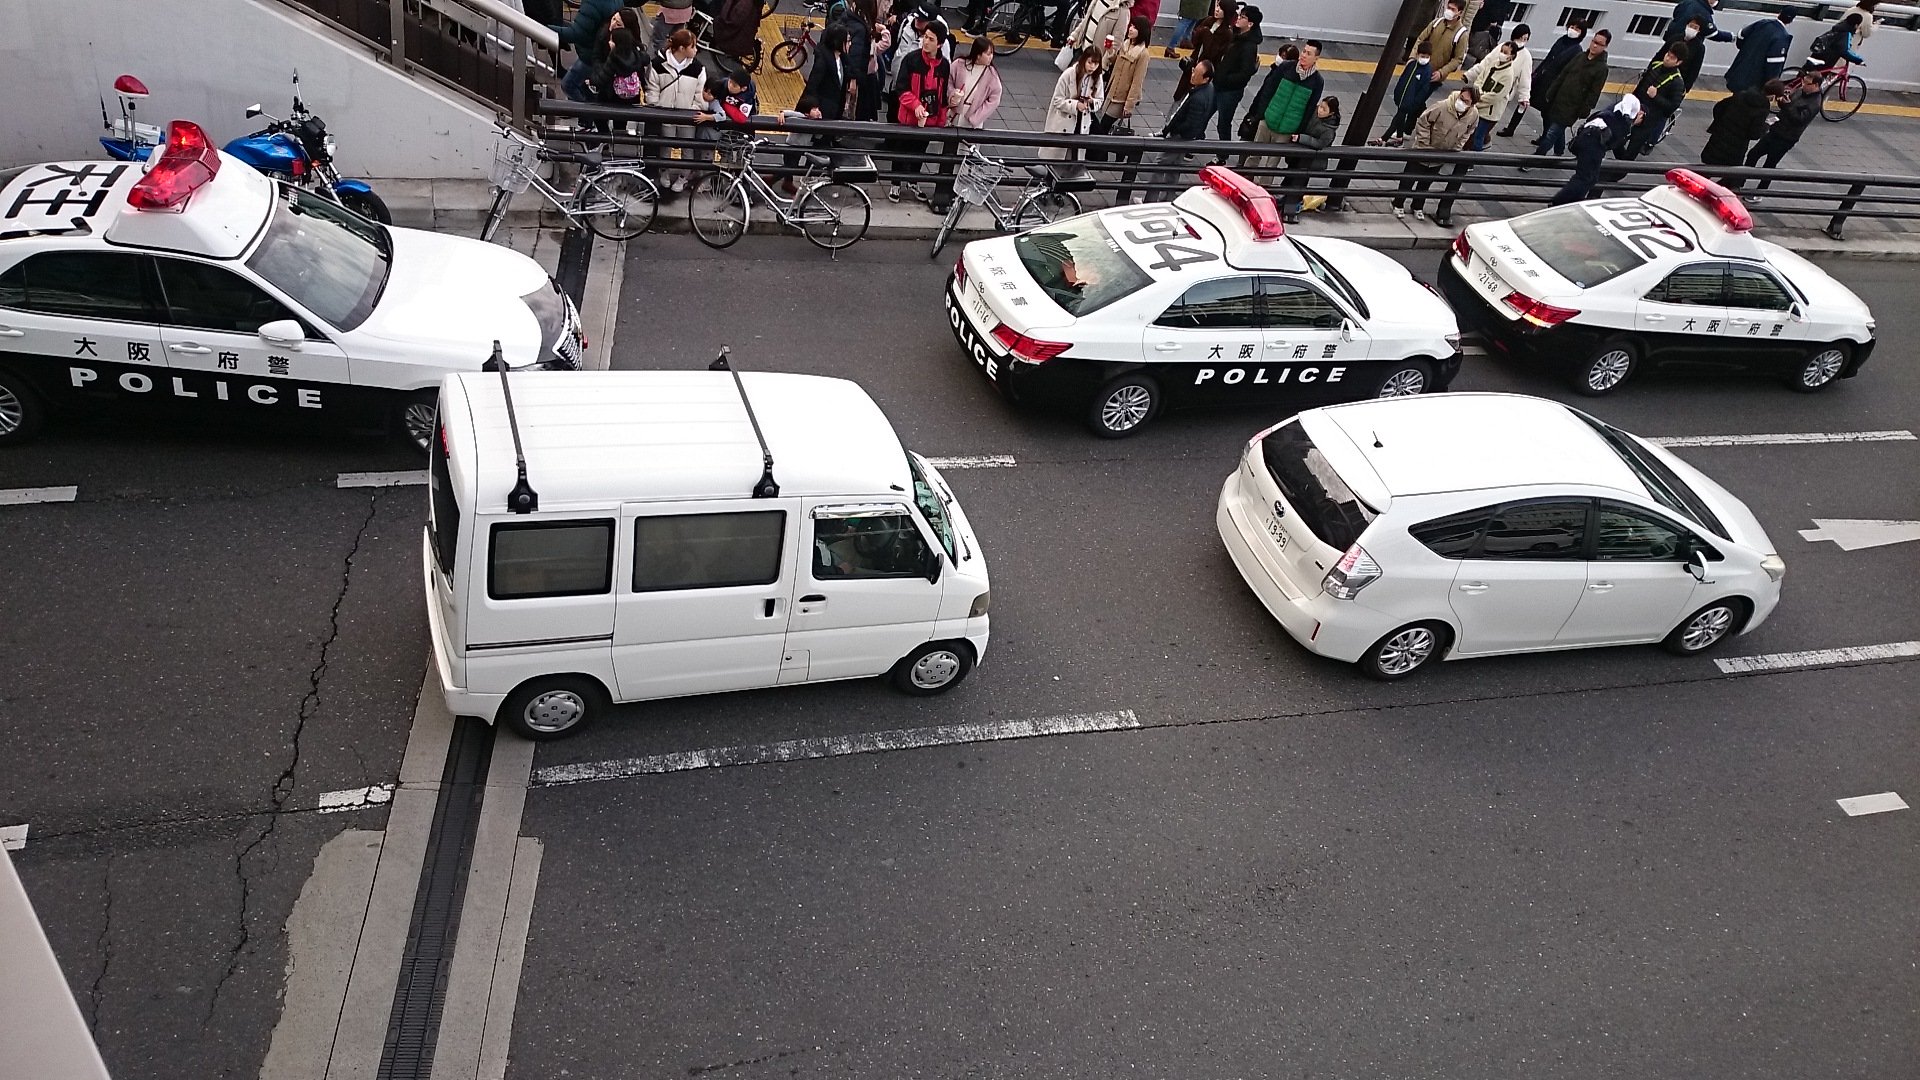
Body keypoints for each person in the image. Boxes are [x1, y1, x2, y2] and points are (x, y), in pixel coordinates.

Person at [886, 25, 952, 203]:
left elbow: (942, 96)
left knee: (920, 152)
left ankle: (913, 181)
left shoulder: (944, 66)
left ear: (940, 44)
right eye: (925, 37)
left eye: (931, 39)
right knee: (900, 151)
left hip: (929, 120)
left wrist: (941, 120)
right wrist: (915, 105)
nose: (926, 42)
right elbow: (901, 89)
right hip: (908, 118)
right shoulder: (911, 59)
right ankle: (895, 183)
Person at [1392, 86, 1478, 222]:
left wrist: (1457, 147)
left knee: (1426, 182)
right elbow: (1423, 121)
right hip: (1422, 150)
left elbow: (1469, 131)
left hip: (1442, 153)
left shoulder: (1473, 115)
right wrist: (1425, 142)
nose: (1461, 102)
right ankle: (1398, 203)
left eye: (1466, 101)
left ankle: (1417, 206)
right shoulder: (1442, 106)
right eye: (1461, 98)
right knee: (1409, 178)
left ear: (1471, 104)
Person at [1531, 28, 1609, 158]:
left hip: (1572, 108)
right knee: (1557, 129)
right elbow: (1563, 75)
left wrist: (1585, 110)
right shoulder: (1580, 57)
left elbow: (1594, 92)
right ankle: (1559, 151)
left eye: (1599, 44)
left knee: (1552, 133)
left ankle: (1536, 157)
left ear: (1605, 46)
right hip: (1559, 100)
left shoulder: (1601, 68)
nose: (1595, 45)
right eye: (1594, 41)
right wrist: (1551, 92)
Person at [1742, 70, 1821, 198]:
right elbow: (1786, 107)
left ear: (1816, 85)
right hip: (1776, 129)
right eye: (1803, 81)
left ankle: (1760, 192)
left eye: (1807, 83)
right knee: (1753, 154)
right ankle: (1739, 181)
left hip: (1786, 138)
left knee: (1770, 165)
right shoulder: (1800, 91)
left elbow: (1799, 120)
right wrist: (1782, 101)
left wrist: (1788, 105)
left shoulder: (1814, 103)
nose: (1803, 85)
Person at [1145, 59, 1216, 201]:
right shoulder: (1207, 89)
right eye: (1194, 70)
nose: (1192, 75)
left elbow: (1190, 122)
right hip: (1186, 138)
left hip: (1180, 137)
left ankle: (1150, 200)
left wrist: (1173, 130)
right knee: (1174, 168)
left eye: (1196, 73)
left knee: (1160, 164)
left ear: (1206, 79)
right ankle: (1167, 198)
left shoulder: (1199, 98)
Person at [646, 29, 706, 197]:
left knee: (688, 148)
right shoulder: (658, 64)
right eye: (693, 46)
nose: (696, 50)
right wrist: (658, 107)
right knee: (665, 146)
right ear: (681, 48)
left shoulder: (698, 68)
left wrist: (693, 110)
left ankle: (683, 176)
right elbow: (652, 90)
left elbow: (700, 94)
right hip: (665, 114)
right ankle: (664, 172)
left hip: (688, 117)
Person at [1552, 95, 1639, 204]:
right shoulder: (1621, 122)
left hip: (1587, 139)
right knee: (1585, 178)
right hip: (1594, 145)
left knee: (1590, 178)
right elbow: (1616, 143)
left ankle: (1570, 202)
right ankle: (1559, 201)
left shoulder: (1609, 112)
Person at [1245, 37, 1323, 151]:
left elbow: (1309, 109)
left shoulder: (1317, 82)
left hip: (1287, 129)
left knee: (1273, 159)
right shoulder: (1286, 67)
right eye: (1304, 51)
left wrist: (1298, 130)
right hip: (1268, 119)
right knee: (1254, 154)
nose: (1304, 55)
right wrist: (1262, 115)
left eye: (1309, 54)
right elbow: (1268, 90)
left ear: (1316, 58)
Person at [1500, 19, 1574, 138]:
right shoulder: (1561, 41)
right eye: (1572, 26)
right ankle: (1511, 128)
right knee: (1525, 106)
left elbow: (1525, 78)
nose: (1522, 41)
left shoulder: (1575, 49)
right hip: (1541, 77)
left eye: (1525, 39)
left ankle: (1546, 136)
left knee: (1544, 111)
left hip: (1551, 82)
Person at [1615, 42, 1687, 160]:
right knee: (1616, 139)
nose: (1667, 58)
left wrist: (1656, 97)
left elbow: (1671, 107)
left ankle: (1622, 166)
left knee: (1631, 151)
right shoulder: (1655, 65)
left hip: (1648, 120)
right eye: (1668, 54)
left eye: (1672, 58)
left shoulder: (1677, 82)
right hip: (1635, 109)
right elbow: (1640, 86)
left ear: (1678, 62)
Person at [1277, 96, 1340, 223]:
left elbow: (1320, 143)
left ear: (1331, 113)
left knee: (1298, 183)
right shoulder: (1314, 113)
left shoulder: (1329, 129)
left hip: (1310, 160)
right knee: (1289, 178)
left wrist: (1301, 138)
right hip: (1299, 155)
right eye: (1320, 106)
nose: (1320, 110)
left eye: (1324, 109)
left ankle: (1290, 210)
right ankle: (1283, 202)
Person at [1210, 5, 1264, 142]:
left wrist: (1224, 79)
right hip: (1218, 85)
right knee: (1203, 116)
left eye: (1242, 17)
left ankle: (1224, 151)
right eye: (1239, 15)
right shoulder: (1236, 35)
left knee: (1223, 124)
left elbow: (1244, 74)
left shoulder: (1249, 46)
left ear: (1250, 24)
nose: (1238, 18)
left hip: (1230, 91)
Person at [553, 0, 623, 102]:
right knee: (584, 85)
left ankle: (585, 109)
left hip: (590, 55)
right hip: (602, 51)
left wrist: (545, 28)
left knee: (568, 85)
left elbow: (575, 34)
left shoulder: (592, 3)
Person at [1043, 47, 1106, 160]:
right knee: (1058, 157)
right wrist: (1075, 105)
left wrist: (1091, 102)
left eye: (1096, 64)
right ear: (1084, 60)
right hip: (1064, 121)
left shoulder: (1097, 77)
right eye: (1090, 62)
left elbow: (1100, 100)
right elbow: (1057, 100)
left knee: (1075, 156)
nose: (1092, 67)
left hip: (1082, 121)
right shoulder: (1068, 74)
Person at [1093, 17, 1151, 139]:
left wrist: (1129, 105)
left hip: (1121, 98)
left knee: (1103, 126)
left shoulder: (1143, 54)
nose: (1131, 29)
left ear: (1142, 31)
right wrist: (1110, 52)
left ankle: (1097, 149)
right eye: (1131, 26)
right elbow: (1116, 62)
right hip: (1111, 91)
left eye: (1135, 27)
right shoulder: (1126, 44)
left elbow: (1137, 81)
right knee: (1103, 126)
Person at [1701, 79, 1776, 169]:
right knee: (1729, 174)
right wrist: (1766, 126)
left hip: (1718, 140)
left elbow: (1719, 107)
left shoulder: (1741, 94)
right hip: (1735, 150)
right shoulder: (1762, 108)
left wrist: (1721, 122)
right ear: (1772, 96)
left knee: (1708, 168)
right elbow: (1754, 134)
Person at [1461, 39, 1521, 151]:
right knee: (1468, 133)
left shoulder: (1508, 75)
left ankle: (1473, 157)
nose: (1502, 54)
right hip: (1477, 105)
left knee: (1478, 136)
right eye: (1501, 51)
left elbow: (1495, 96)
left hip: (1489, 113)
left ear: (1511, 56)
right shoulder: (1493, 64)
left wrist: (1478, 100)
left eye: (1505, 52)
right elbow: (1480, 79)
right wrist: (1477, 92)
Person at [1374, 40, 1437, 145]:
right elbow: (1402, 79)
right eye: (1422, 56)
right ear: (1417, 54)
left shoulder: (1427, 71)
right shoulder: (1411, 65)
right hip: (1402, 98)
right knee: (1401, 118)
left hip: (1410, 102)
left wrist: (1415, 103)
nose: (1424, 59)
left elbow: (1424, 90)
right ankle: (1399, 138)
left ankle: (1383, 138)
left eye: (1427, 57)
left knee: (1398, 118)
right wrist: (1397, 93)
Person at [1174, 0, 1236, 104]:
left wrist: (1206, 34)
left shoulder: (1227, 33)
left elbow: (1213, 52)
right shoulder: (1209, 20)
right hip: (1193, 64)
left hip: (1205, 70)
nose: (1217, 10)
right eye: (1217, 6)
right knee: (1180, 94)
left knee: (1193, 98)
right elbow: (1195, 41)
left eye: (1221, 8)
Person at [1665, 0, 1730, 90]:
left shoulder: (1687, 2)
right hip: (1687, 52)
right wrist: (1730, 37)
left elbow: (1676, 12)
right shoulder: (1705, 14)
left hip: (1670, 39)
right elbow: (1713, 33)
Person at [1725, 9, 1794, 93]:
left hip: (1738, 72)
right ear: (1791, 21)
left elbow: (1741, 35)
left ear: (1779, 14)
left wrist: (1744, 49)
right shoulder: (1782, 37)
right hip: (1755, 82)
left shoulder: (1762, 23)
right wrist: (1771, 84)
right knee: (1747, 100)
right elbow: (1774, 64)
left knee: (1736, 97)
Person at [1411, 0, 1475, 85]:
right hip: (1419, 67)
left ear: (1460, 13)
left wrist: (1442, 72)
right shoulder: (1436, 23)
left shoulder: (1461, 34)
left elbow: (1458, 59)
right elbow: (1420, 39)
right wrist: (1412, 57)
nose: (1449, 11)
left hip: (1434, 76)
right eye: (1448, 7)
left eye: (1453, 9)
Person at [949, 37, 1004, 130]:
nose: (991, 57)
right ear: (978, 55)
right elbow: (948, 81)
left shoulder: (991, 74)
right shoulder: (959, 64)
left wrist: (977, 117)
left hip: (972, 120)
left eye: (992, 53)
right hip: (954, 114)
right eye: (988, 54)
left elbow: (995, 98)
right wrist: (952, 95)